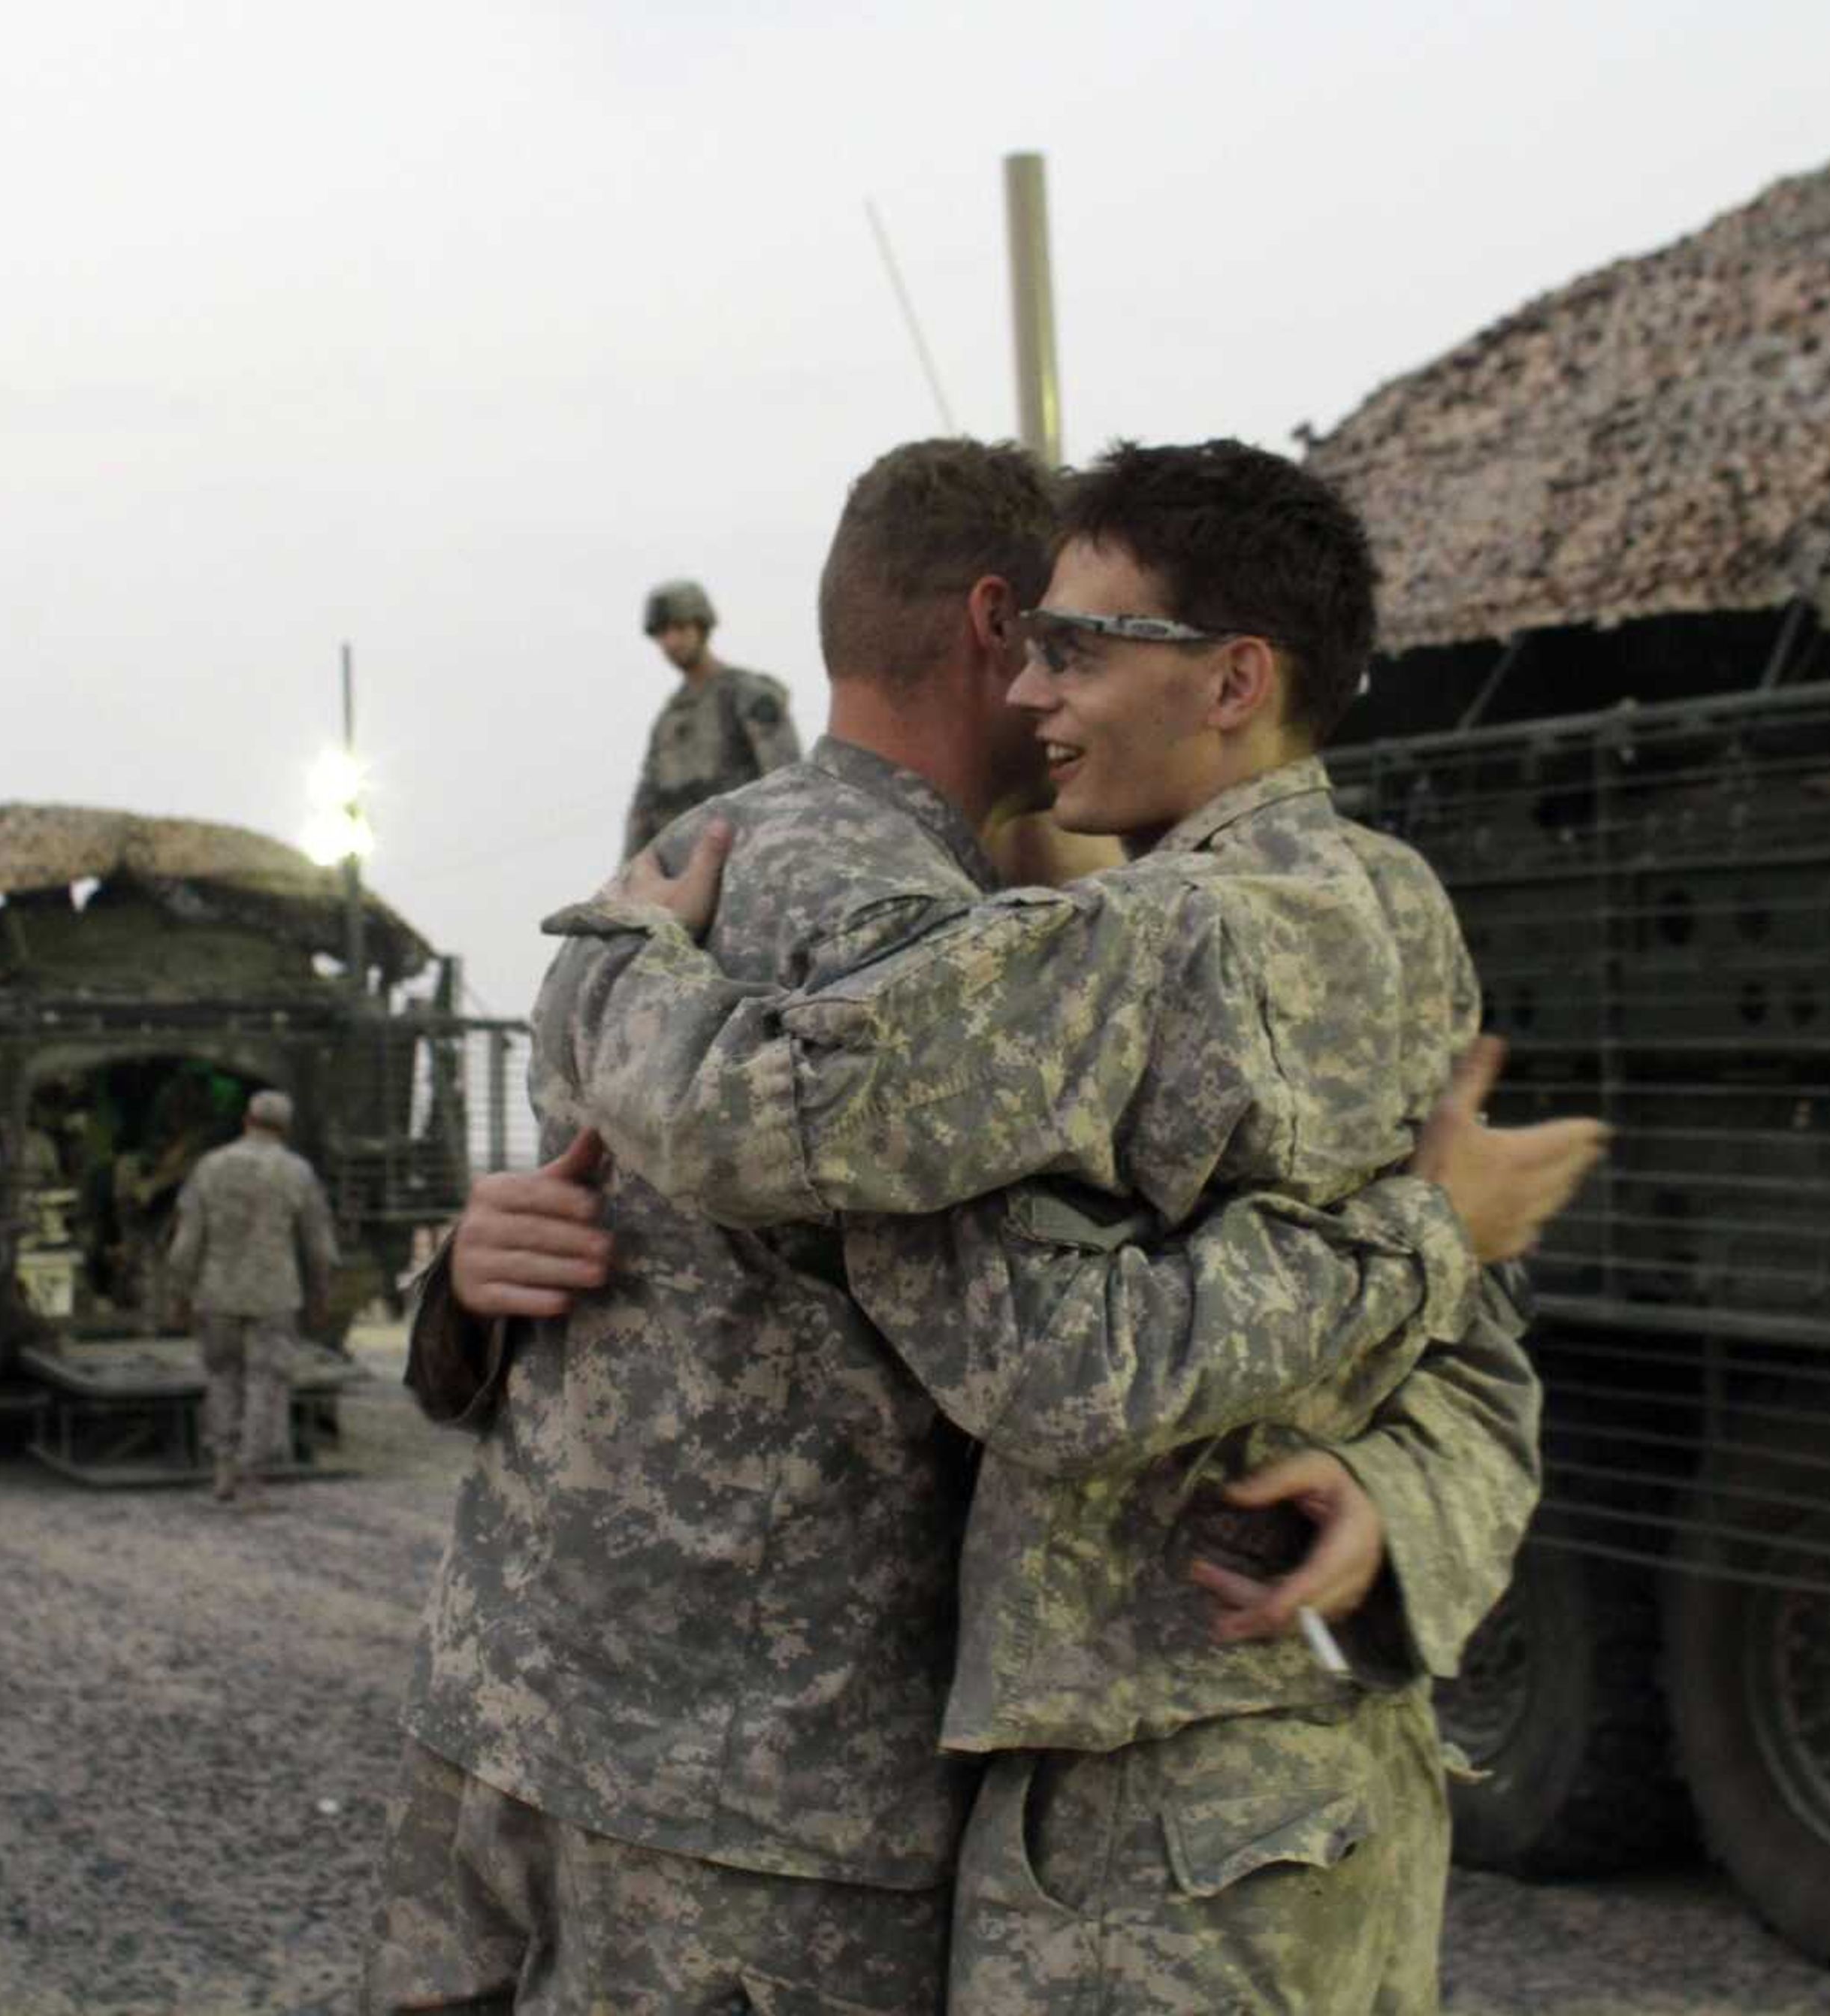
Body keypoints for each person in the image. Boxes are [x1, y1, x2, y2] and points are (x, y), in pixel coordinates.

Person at [364, 440, 1562, 2016]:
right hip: (761, 1806)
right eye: (1050, 643)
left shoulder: (718, 879)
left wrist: (600, 966)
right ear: (997, 626)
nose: (1058, 689)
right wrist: (466, 1266)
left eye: (1092, 647)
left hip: (570, 1740)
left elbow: (1406, 1350)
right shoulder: (976, 923)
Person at [166, 1088, 339, 1507]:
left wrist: (179, 1293)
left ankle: (223, 1466)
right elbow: (320, 1249)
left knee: (222, 1377)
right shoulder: (296, 1172)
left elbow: (185, 1246)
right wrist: (321, 1294)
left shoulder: (210, 1167)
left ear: (247, 1119)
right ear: (285, 1128)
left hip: (217, 1292)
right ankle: (252, 1475)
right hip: (274, 1295)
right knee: (267, 1382)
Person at [622, 577, 802, 858]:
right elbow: (645, 808)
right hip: (684, 871)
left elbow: (786, 782)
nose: (671, 641)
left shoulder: (747, 694)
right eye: (662, 633)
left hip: (746, 857)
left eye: (680, 628)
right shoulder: (669, 720)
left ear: (702, 627)